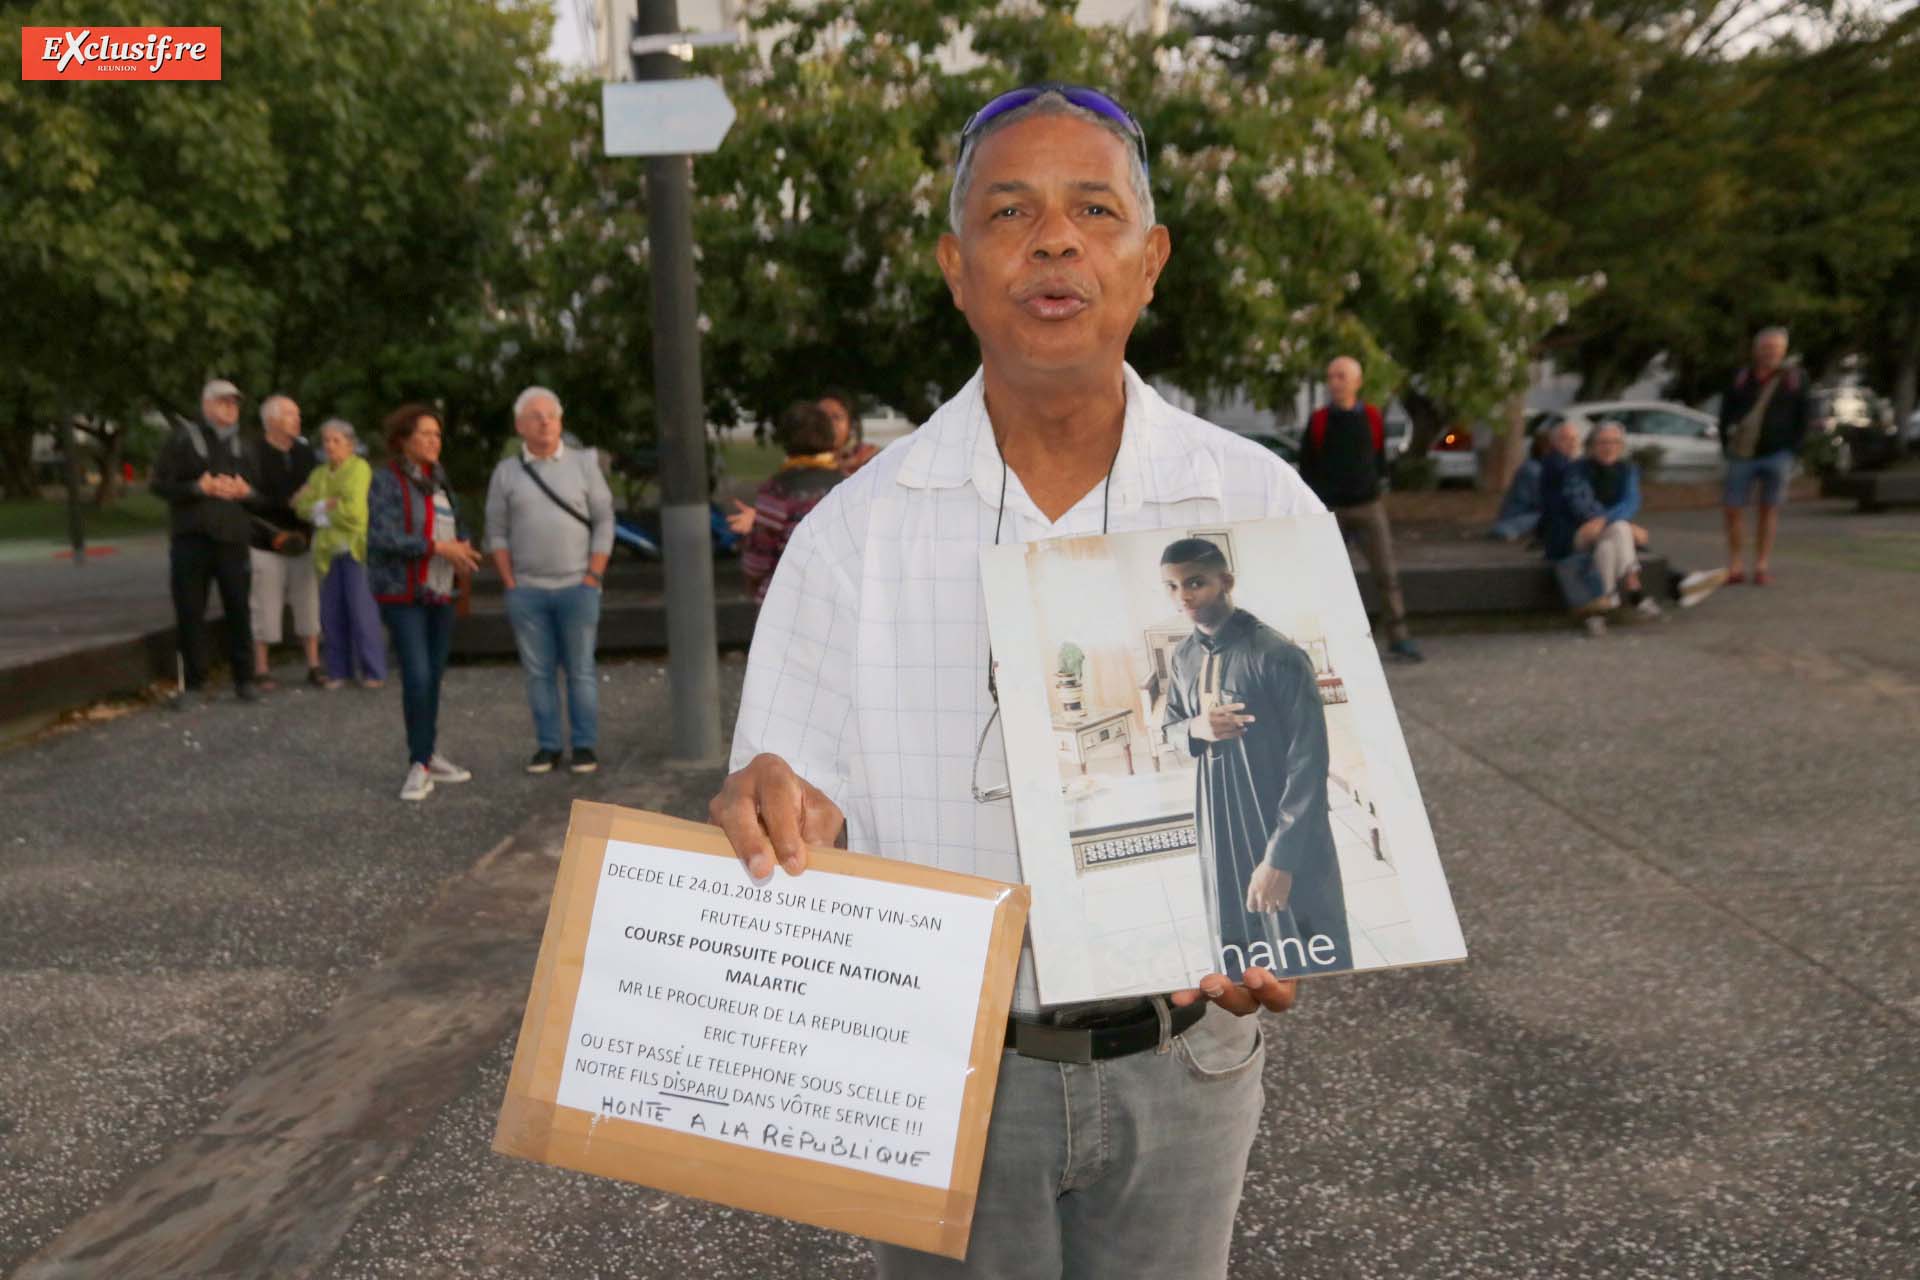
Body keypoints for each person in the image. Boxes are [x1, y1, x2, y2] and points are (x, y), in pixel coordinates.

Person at [710, 83, 1320, 1280]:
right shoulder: (854, 533)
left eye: (1094, 209)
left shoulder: (1258, 507)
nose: (1055, 239)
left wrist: (1295, 911)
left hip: (1186, 1058)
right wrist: (769, 807)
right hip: (941, 1067)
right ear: (955, 266)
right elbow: (784, 784)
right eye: (1010, 212)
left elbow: (1322, 780)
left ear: (1148, 263)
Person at [1158, 537, 1351, 980]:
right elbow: (1169, 727)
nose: (1183, 596)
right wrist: (1196, 728)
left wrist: (1280, 858)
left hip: (1276, 821)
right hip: (1218, 820)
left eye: (1195, 583)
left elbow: (1309, 763)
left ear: (1226, 582)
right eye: (1171, 587)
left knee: (1304, 945)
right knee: (1238, 946)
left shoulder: (1277, 655)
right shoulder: (1184, 657)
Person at [485, 386, 615, 776]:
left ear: (560, 422)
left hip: (579, 586)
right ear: (519, 426)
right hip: (527, 589)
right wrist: (509, 581)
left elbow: (605, 519)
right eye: (536, 416)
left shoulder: (583, 465)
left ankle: (584, 745)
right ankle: (547, 746)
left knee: (581, 669)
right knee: (538, 673)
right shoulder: (506, 472)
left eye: (552, 415)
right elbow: (497, 531)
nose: (545, 422)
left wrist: (594, 574)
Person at [369, 404, 480, 801]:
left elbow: (457, 524)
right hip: (404, 592)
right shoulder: (387, 481)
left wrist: (462, 548)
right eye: (425, 434)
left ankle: (429, 754)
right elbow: (382, 537)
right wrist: (437, 547)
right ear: (403, 440)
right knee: (416, 674)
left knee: (433, 675)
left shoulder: (440, 479)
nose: (434, 441)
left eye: (437, 434)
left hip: (441, 589)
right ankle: (418, 763)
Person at [1297, 356, 1422, 661]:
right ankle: (1328, 638)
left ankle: (1398, 636)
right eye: (1331, 376)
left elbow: (1378, 457)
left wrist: (1376, 485)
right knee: (1327, 576)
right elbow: (1307, 465)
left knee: (1386, 573)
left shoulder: (1372, 417)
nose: (1334, 382)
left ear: (1357, 381)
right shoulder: (1319, 421)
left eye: (1341, 376)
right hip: (1331, 509)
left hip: (1368, 505)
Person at [149, 378, 262, 705]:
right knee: (189, 611)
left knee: (239, 609)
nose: (231, 408)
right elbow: (158, 486)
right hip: (191, 541)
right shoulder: (182, 440)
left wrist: (246, 493)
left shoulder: (246, 444)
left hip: (233, 540)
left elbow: (261, 496)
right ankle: (194, 684)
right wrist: (197, 488)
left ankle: (245, 679)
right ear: (207, 405)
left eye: (235, 402)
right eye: (224, 401)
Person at [1540, 421, 1660, 637]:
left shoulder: (1628, 470)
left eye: (1614, 442)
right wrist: (1613, 522)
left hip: (1607, 532)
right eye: (1603, 442)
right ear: (1592, 445)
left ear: (1621, 446)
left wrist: (1607, 521)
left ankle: (1605, 599)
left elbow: (1630, 503)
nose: (1609, 447)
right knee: (1622, 528)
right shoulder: (1577, 469)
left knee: (1608, 545)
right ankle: (1634, 589)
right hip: (1578, 533)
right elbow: (1580, 502)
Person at [294, 418, 385, 689]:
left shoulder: (359, 469)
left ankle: (373, 670)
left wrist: (319, 510)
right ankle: (338, 670)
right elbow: (301, 507)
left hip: (354, 549)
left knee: (361, 611)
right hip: (326, 552)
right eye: (326, 441)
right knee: (331, 613)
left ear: (350, 444)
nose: (330, 446)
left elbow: (355, 513)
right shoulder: (319, 474)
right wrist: (327, 505)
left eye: (336, 440)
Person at [1718, 326, 1809, 585]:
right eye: (1767, 347)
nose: (1771, 353)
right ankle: (1735, 564)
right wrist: (1726, 443)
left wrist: (1794, 449)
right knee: (1733, 508)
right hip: (1742, 453)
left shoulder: (1795, 378)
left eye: (1776, 348)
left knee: (1769, 510)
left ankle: (1761, 564)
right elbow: (1725, 412)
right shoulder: (1741, 377)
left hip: (1778, 453)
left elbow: (1804, 415)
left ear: (1783, 351)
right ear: (1756, 350)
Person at [246, 394, 322, 689]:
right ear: (272, 420)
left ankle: (314, 664)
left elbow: (317, 484)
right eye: (291, 414)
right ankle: (262, 669)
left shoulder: (305, 452)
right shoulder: (254, 453)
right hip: (267, 540)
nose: (298, 419)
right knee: (265, 603)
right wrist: (290, 502)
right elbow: (250, 497)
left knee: (308, 602)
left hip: (302, 538)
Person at [740, 400, 845, 602]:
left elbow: (758, 559)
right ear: (830, 438)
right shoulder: (849, 485)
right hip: (840, 605)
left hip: (788, 604)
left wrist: (754, 583)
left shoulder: (776, 491)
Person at [1489, 429, 1550, 543]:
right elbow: (1542, 501)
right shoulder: (1533, 470)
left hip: (1519, 516)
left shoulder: (1534, 467)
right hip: (1516, 518)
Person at [822, 387, 879, 475]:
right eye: (821, 417)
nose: (829, 423)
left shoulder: (872, 463)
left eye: (836, 417)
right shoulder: (799, 462)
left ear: (850, 424)